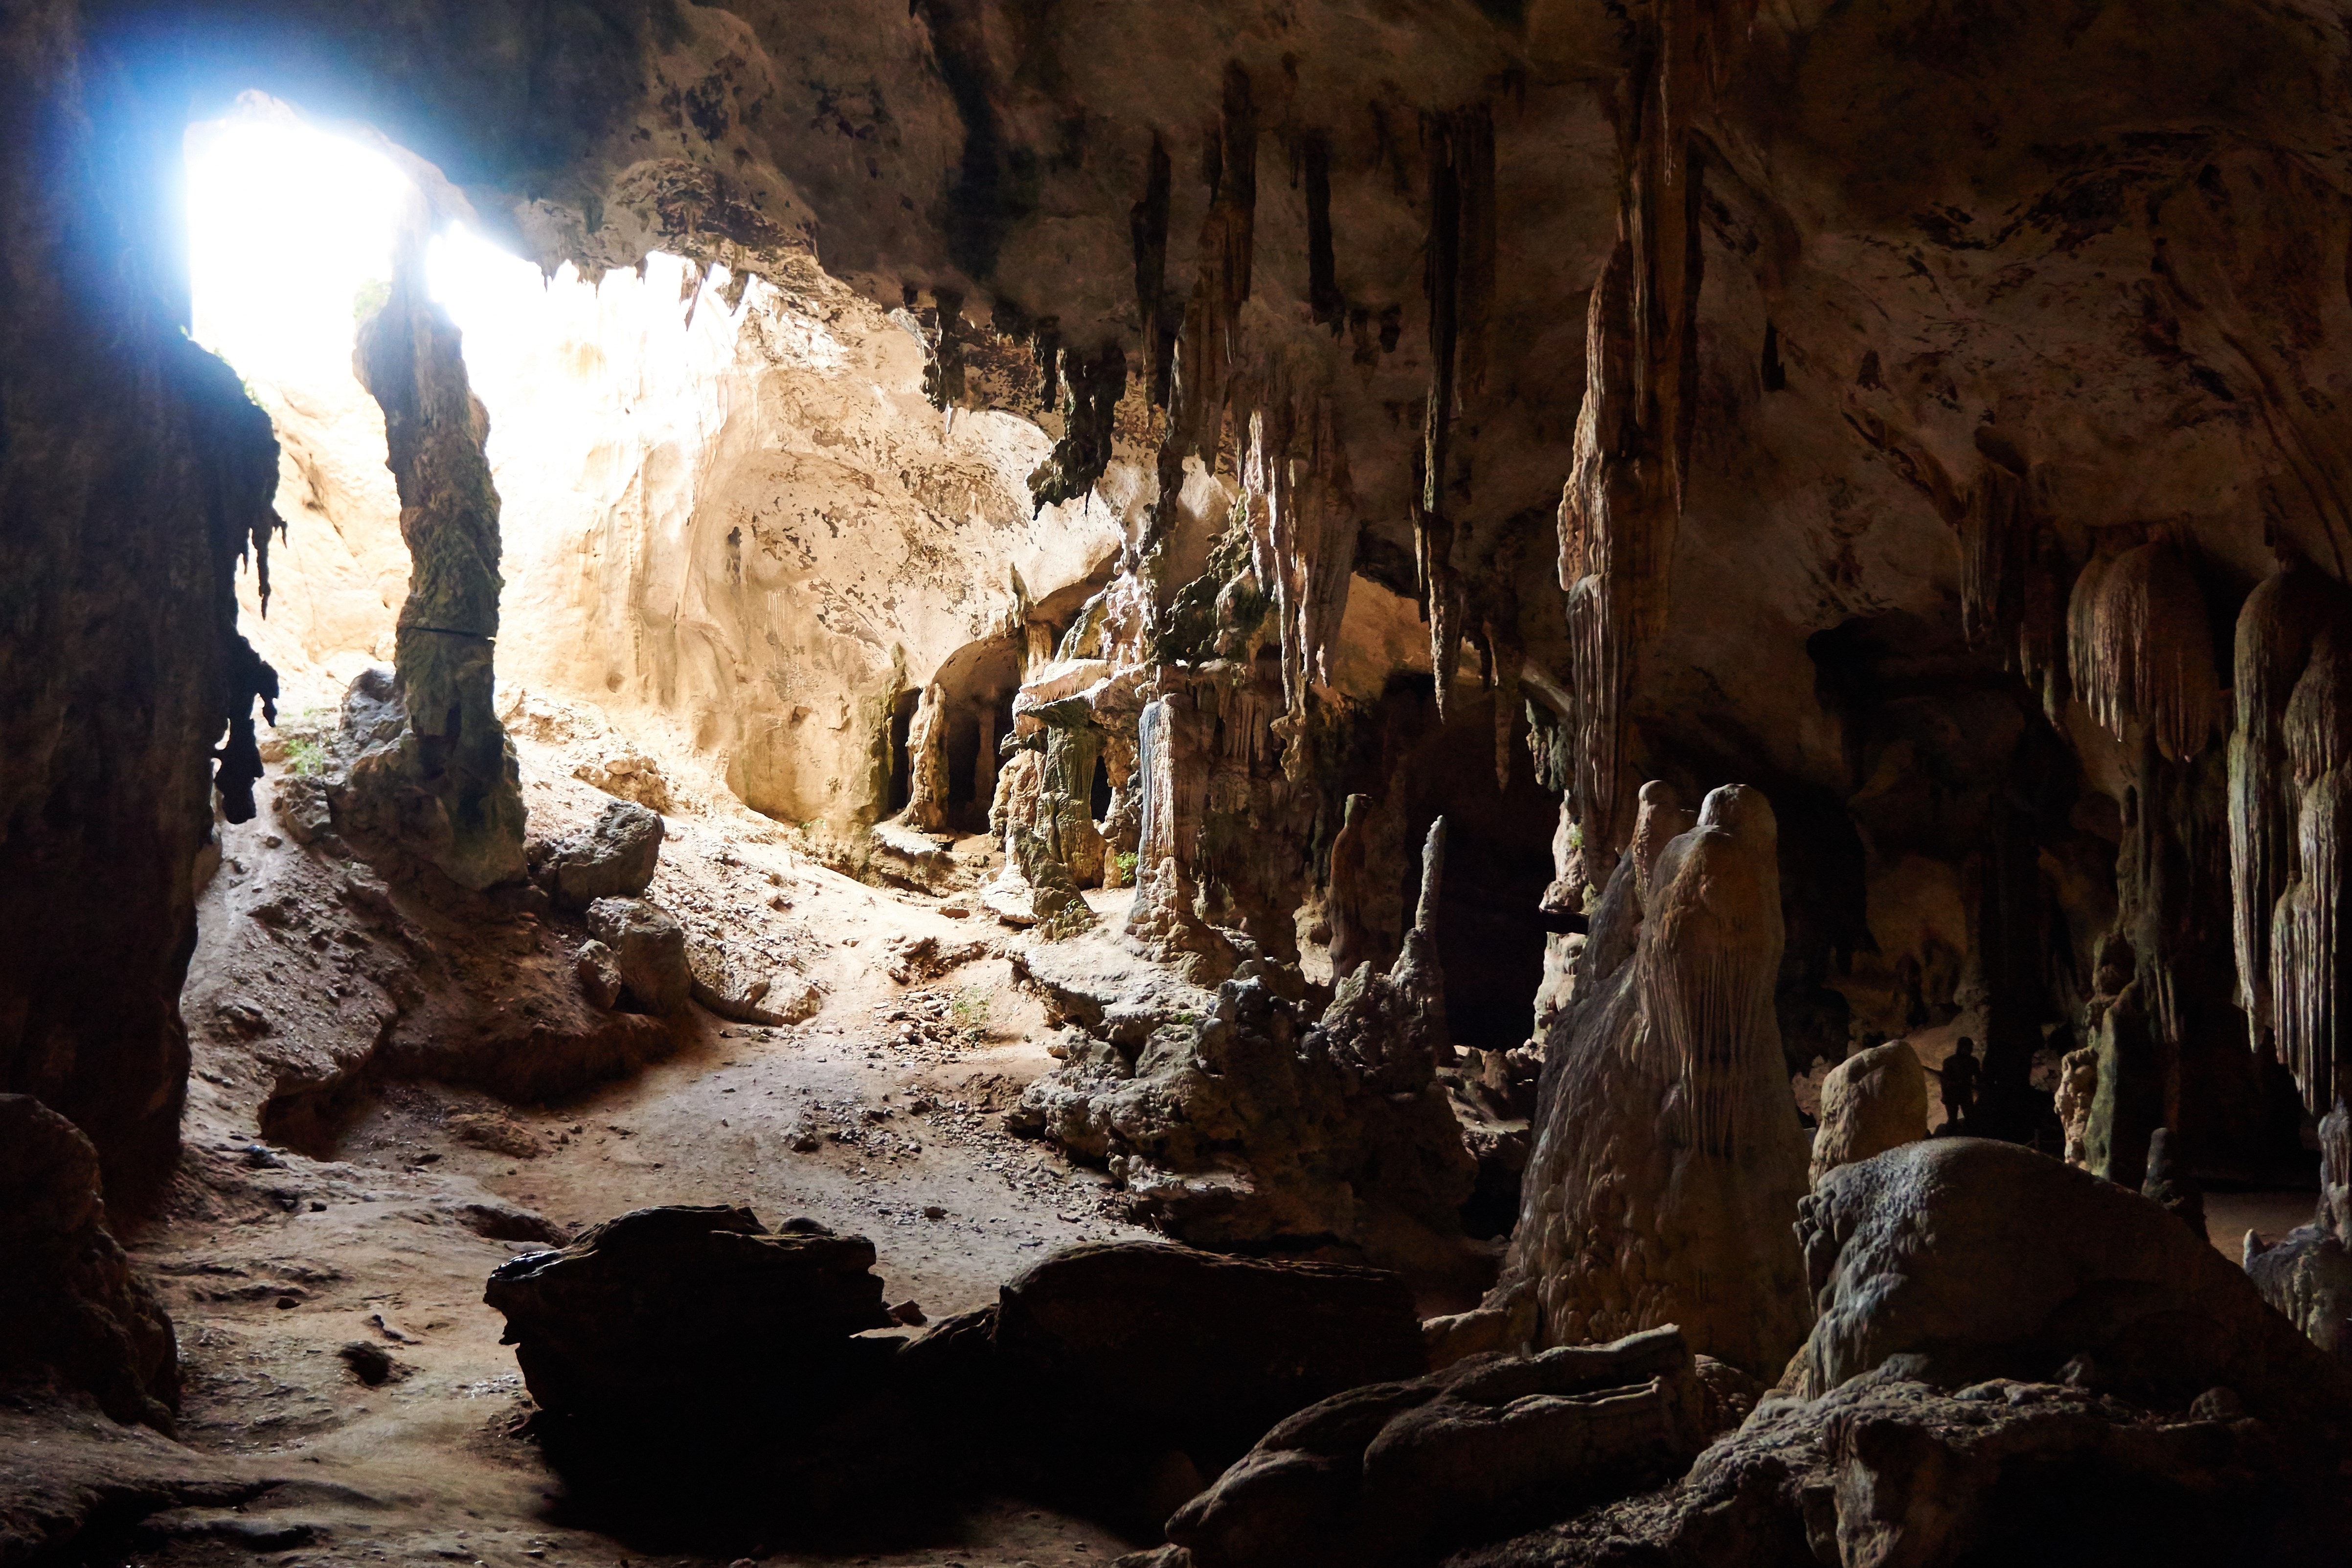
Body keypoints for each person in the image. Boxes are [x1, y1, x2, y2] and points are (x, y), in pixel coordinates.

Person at [1941, 1037, 1980, 1132]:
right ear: (1960, 1047)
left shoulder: (1973, 1062)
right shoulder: (1950, 1062)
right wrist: (1945, 1095)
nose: (1969, 1050)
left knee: (1971, 1118)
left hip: (1965, 1092)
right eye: (1967, 1047)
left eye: (1971, 1048)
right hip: (1952, 1093)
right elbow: (1945, 1081)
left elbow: (1979, 1077)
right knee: (1952, 1120)